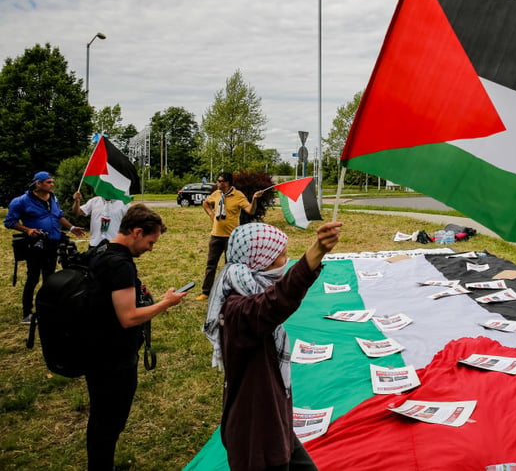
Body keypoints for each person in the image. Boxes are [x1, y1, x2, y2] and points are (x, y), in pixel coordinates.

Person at [204, 221, 342, 471]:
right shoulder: (238, 310)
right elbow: (275, 301)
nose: (285, 261)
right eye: (281, 255)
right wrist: (316, 252)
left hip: (274, 422)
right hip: (257, 436)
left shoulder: (246, 292)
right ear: (260, 260)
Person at [85, 204, 188, 471]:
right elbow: (128, 317)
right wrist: (166, 303)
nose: (150, 248)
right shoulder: (120, 265)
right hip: (113, 357)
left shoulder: (100, 251)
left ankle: (100, 463)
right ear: (137, 231)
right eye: (150, 242)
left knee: (100, 417)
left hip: (95, 347)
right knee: (109, 420)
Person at [3, 171, 85, 323]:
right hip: (35, 245)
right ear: (38, 184)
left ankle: (49, 310)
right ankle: (27, 313)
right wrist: (27, 230)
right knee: (33, 278)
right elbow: (9, 222)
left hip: (52, 243)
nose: (52, 185)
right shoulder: (21, 201)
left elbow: (58, 216)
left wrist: (72, 228)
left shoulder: (53, 198)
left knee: (50, 278)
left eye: (52, 182)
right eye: (48, 182)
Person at [197, 172, 264, 300]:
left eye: (220, 181)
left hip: (231, 237)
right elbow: (205, 203)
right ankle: (206, 292)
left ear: (227, 183)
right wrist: (211, 215)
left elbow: (251, 210)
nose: (218, 183)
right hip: (216, 235)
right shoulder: (217, 194)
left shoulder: (238, 195)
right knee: (211, 265)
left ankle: (229, 292)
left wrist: (255, 199)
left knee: (230, 267)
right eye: (218, 180)